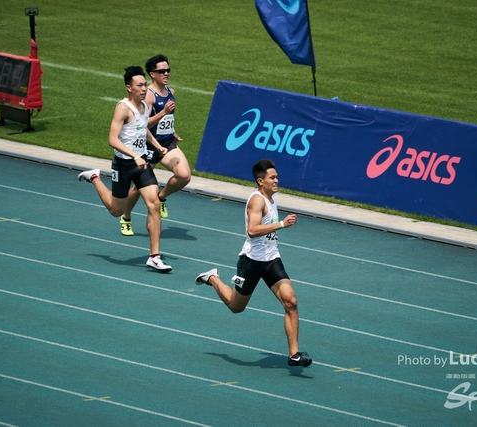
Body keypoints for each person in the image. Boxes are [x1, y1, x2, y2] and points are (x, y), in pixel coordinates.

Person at [195, 159, 312, 367]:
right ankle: (212, 278)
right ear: (260, 181)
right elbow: (252, 230)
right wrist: (282, 224)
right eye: (272, 177)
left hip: (272, 260)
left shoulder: (272, 199)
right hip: (251, 262)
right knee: (235, 306)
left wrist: (279, 226)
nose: (277, 180)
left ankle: (294, 354)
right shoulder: (257, 201)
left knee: (291, 302)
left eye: (276, 176)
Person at [78, 66, 172, 272]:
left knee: (154, 204)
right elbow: (112, 139)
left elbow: (143, 128)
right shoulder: (122, 108)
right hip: (124, 164)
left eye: (145, 84)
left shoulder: (146, 107)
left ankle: (154, 256)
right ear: (129, 88)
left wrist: (156, 146)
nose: (144, 88)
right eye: (139, 85)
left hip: (142, 164)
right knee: (116, 210)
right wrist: (134, 155)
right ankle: (94, 177)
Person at [119, 54, 191, 236]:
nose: (166, 73)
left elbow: (166, 119)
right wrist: (163, 112)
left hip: (167, 144)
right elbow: (144, 124)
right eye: (162, 71)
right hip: (149, 147)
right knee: (137, 189)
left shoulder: (171, 92)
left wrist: (171, 130)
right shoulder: (149, 96)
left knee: (184, 176)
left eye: (168, 70)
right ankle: (125, 217)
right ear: (152, 74)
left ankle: (162, 195)